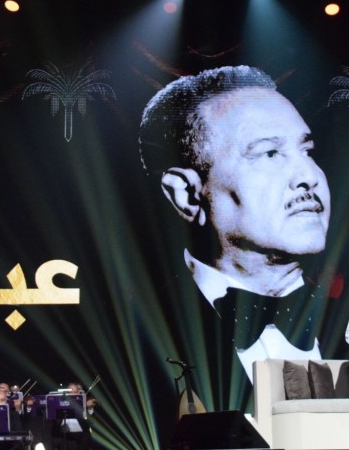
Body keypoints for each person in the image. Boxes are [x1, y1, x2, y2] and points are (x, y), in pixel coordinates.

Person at [139, 65, 332, 391]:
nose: (308, 177)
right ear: (187, 195)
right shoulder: (142, 330)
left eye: (307, 151)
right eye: (269, 153)